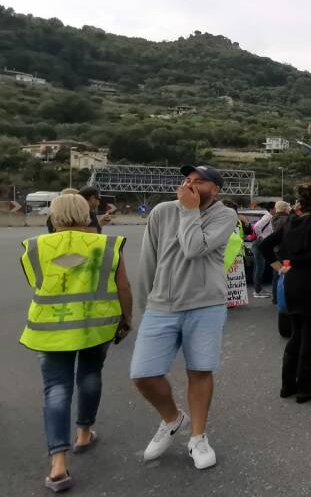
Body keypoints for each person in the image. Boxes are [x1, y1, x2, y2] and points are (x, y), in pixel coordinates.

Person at [20, 193, 133, 492]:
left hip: (50, 328)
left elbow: (36, 282)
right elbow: (123, 285)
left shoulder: (34, 247)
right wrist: (127, 319)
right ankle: (83, 433)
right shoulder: (107, 245)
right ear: (87, 213)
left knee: (56, 389)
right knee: (91, 375)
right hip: (96, 325)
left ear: (53, 216)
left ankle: (58, 463)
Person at [130, 165, 237, 470]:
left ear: (215, 189)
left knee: (200, 370)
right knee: (143, 374)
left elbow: (193, 248)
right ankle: (172, 418)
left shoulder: (224, 216)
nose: (190, 183)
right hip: (161, 305)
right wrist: (145, 303)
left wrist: (190, 211)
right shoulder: (162, 212)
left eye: (199, 181)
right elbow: (148, 259)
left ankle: (198, 437)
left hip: (205, 305)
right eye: (187, 179)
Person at [260, 185, 311, 403]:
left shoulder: (290, 223)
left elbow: (265, 245)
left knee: (296, 334)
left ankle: (287, 385)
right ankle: (305, 388)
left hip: (293, 281)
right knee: (310, 337)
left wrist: (280, 267)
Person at [250, 206, 277, 299]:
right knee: (260, 268)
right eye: (275, 208)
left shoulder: (269, 217)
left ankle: (258, 289)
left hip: (258, 244)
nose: (276, 210)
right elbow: (256, 226)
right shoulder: (268, 216)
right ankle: (257, 291)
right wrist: (261, 236)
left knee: (258, 267)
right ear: (271, 209)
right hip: (260, 244)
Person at [269, 200, 291, 305]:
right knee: (286, 273)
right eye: (288, 207)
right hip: (285, 251)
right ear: (285, 209)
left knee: (276, 275)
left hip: (276, 250)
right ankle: (285, 297)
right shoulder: (286, 219)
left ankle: (275, 297)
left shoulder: (274, 218)